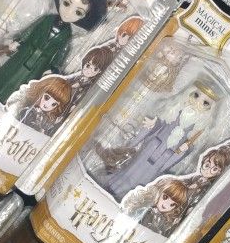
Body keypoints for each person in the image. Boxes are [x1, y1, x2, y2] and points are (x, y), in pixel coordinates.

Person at [0, 0, 110, 103]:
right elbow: (31, 29)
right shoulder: (47, 19)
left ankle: (8, 101)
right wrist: (19, 41)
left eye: (78, 12)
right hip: (24, 53)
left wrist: (53, 68)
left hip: (39, 65)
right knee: (8, 73)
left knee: (23, 85)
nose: (69, 12)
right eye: (67, 3)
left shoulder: (67, 34)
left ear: (83, 16)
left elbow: (62, 52)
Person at [94, 79, 222, 201]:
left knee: (144, 178)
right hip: (151, 148)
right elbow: (160, 124)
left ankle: (125, 196)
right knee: (132, 168)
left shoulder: (198, 130)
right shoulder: (174, 112)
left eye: (206, 103)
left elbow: (185, 152)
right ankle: (113, 185)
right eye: (196, 95)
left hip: (164, 159)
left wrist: (183, 150)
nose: (198, 102)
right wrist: (153, 124)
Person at [6, 75, 73, 135]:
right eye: (47, 98)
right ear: (40, 91)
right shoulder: (22, 99)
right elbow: (11, 110)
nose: (47, 104)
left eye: (54, 104)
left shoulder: (47, 120)